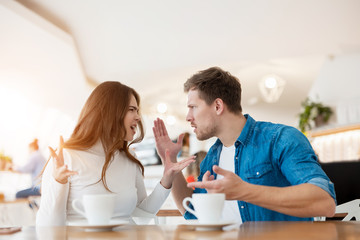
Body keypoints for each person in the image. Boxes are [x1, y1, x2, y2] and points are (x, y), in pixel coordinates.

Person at [153, 67, 336, 224]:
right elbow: (193, 211)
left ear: (217, 106)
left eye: (193, 107)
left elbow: (324, 201)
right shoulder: (213, 156)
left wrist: (245, 191)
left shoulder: (280, 139)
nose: (188, 117)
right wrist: (170, 160)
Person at [36, 81, 194, 226]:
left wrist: (166, 179)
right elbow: (48, 228)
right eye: (132, 110)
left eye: (137, 111)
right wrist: (58, 183)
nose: (138, 117)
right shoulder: (67, 157)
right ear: (109, 112)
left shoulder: (130, 158)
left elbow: (142, 213)